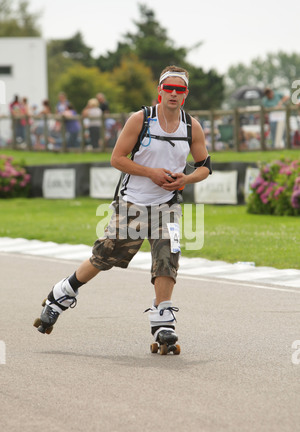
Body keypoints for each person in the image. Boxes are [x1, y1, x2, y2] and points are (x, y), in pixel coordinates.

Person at [33, 65, 212, 354]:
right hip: (133, 202)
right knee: (106, 255)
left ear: (186, 94)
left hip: (167, 206)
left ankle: (163, 319)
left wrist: (186, 179)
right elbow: (117, 159)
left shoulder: (191, 126)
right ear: (160, 90)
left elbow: (205, 167)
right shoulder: (141, 119)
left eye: (180, 89)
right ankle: (61, 294)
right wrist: (151, 173)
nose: (174, 94)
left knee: (168, 257)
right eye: (169, 88)